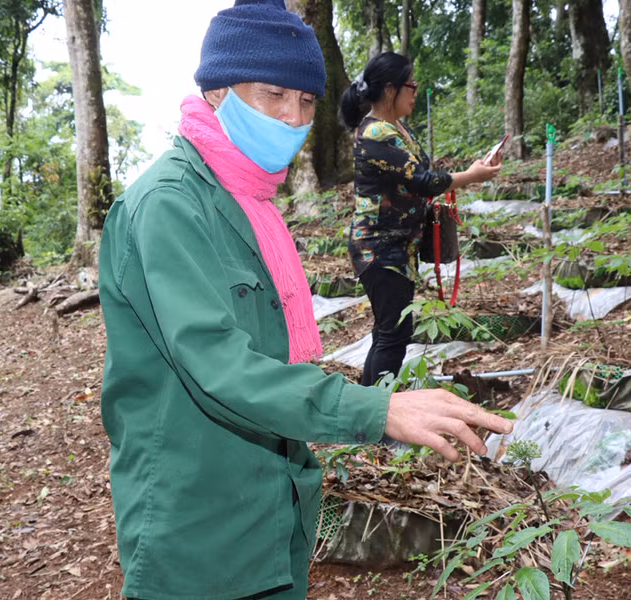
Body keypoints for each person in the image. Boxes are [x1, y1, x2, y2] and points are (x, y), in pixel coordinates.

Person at [97, 3, 512, 598]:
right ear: (218, 91)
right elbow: (219, 366)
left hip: (271, 504)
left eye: (307, 101)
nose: (293, 119)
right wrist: (377, 410)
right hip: (196, 524)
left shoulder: (247, 198)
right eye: (274, 95)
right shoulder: (169, 205)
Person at [339, 52, 502, 388]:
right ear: (390, 89)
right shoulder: (375, 132)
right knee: (394, 335)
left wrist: (470, 171)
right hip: (379, 248)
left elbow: (418, 175)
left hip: (398, 246)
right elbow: (422, 181)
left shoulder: (396, 127)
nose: (415, 92)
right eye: (410, 85)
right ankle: (375, 408)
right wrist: (471, 176)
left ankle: (370, 403)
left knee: (388, 331)